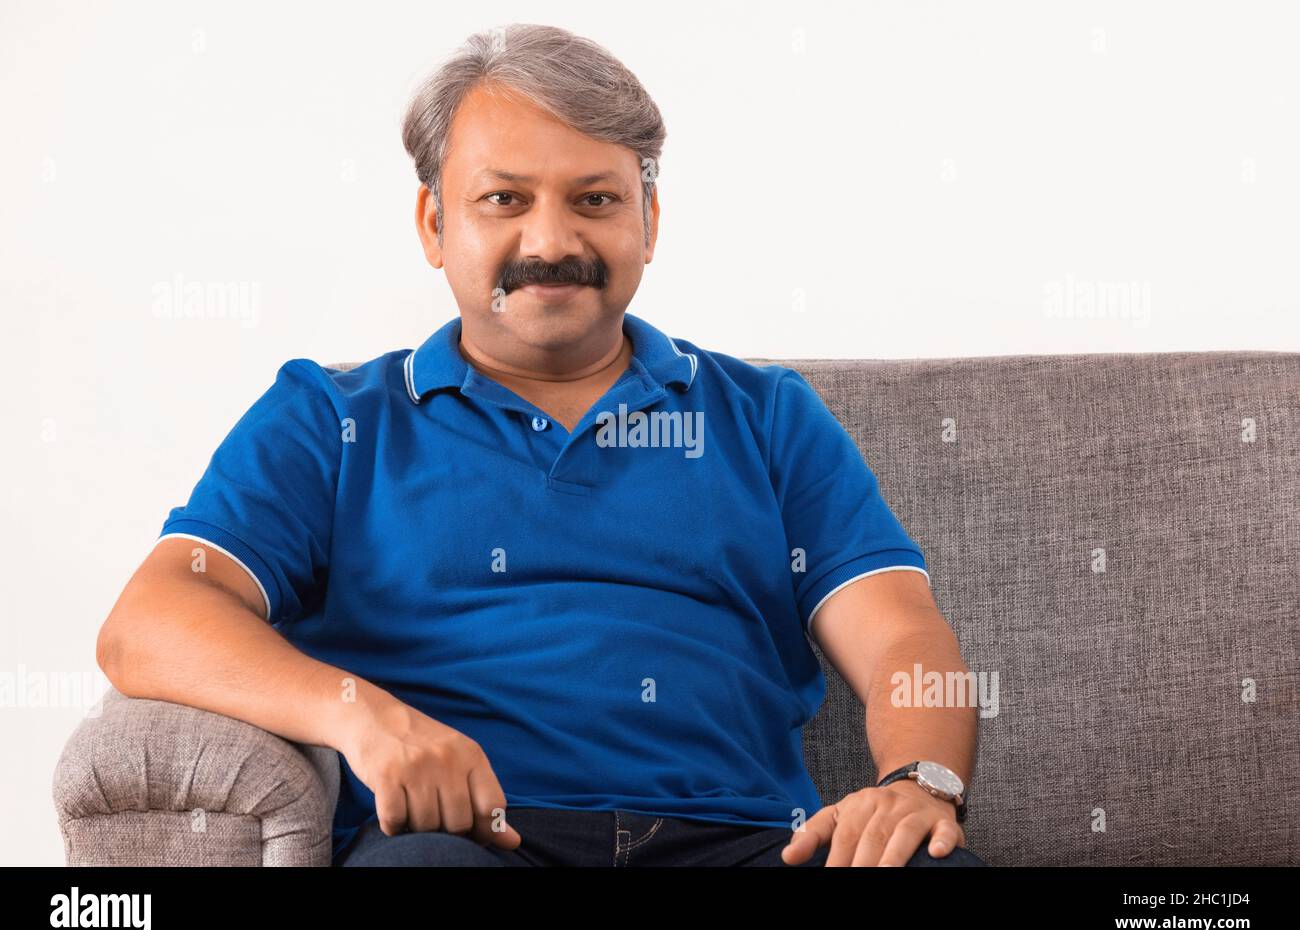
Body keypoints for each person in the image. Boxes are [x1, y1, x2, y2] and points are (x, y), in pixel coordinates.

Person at [98, 23, 985, 868]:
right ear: (435, 224)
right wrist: (361, 716)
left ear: (649, 220)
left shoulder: (769, 415)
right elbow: (150, 620)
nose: (551, 241)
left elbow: (902, 633)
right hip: (467, 842)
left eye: (594, 200)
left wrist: (921, 780)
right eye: (504, 199)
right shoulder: (329, 418)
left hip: (749, 842)